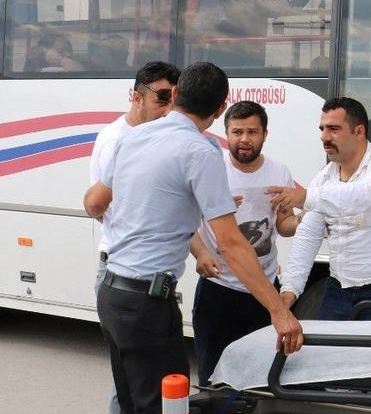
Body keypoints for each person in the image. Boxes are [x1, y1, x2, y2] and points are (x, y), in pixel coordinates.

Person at [83, 62, 302, 414]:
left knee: (130, 401)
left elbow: (93, 203)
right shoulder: (201, 152)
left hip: (111, 293)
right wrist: (279, 311)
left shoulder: (131, 137)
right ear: (219, 110)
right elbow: (231, 243)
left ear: (177, 95)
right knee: (166, 405)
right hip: (147, 304)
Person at [87, 61, 180, 414]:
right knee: (127, 383)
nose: (167, 107)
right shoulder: (116, 140)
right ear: (135, 96)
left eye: (173, 98)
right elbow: (97, 205)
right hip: (121, 271)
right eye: (161, 98)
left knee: (138, 381)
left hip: (143, 278)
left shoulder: (158, 137)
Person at [273, 97, 371, 320]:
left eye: (333, 129)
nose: (324, 137)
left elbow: (360, 197)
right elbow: (308, 236)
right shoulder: (324, 177)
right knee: (328, 355)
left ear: (359, 131)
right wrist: (289, 290)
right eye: (322, 129)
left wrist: (305, 197)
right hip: (338, 289)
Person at [189, 100, 299, 386]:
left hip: (264, 291)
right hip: (218, 289)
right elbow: (185, 220)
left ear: (265, 134)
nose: (245, 139)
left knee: (262, 377)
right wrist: (200, 253)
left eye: (252, 132)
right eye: (237, 132)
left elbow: (284, 226)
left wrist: (306, 221)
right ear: (226, 134)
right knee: (213, 378)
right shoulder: (212, 170)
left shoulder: (279, 171)